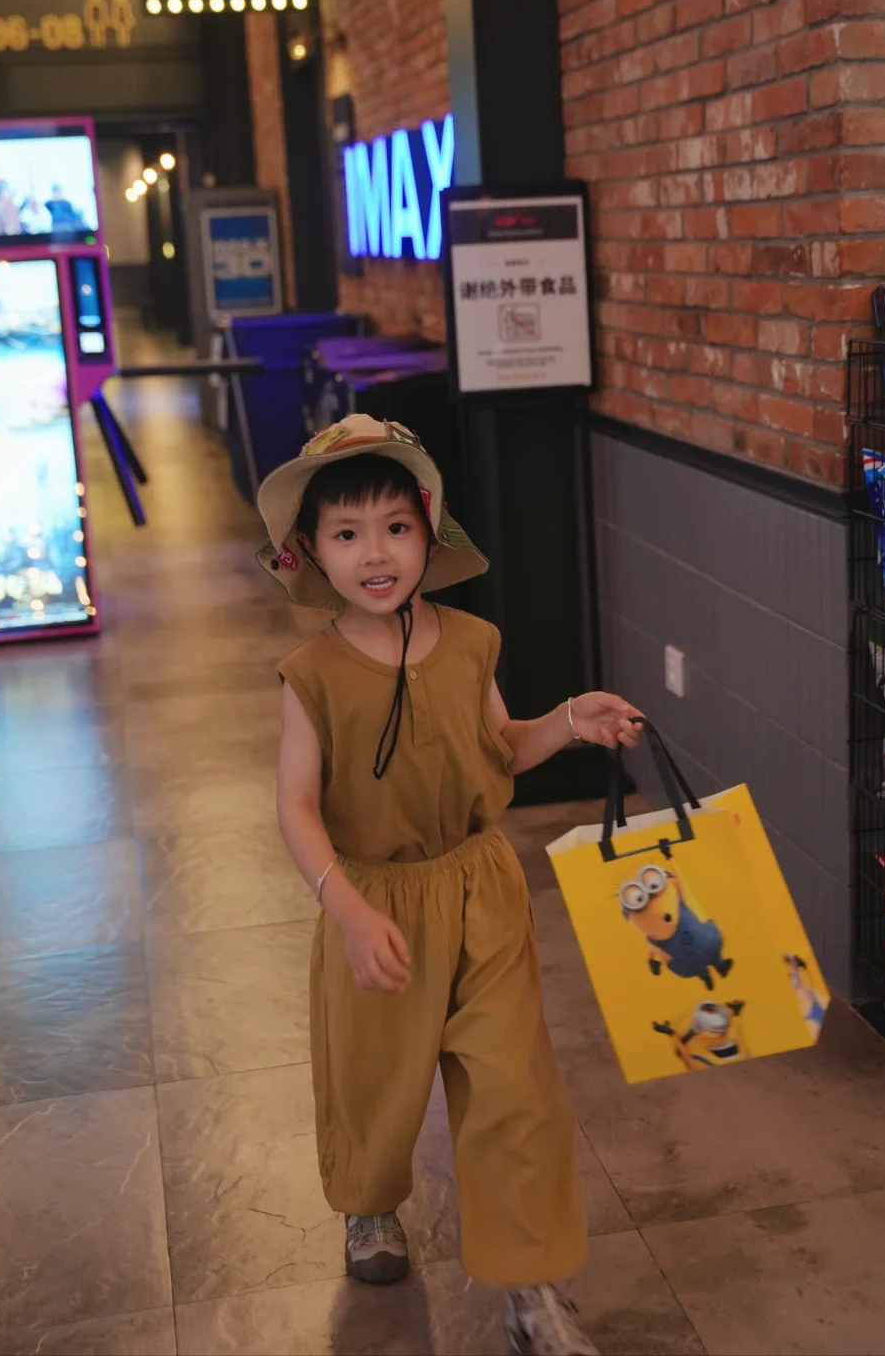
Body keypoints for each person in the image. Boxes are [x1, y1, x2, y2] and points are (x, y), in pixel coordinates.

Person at [262, 415, 644, 1356]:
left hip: (481, 894)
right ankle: (368, 1203)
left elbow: (500, 746)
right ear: (312, 550)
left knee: (516, 1089)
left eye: (396, 527)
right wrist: (347, 910)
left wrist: (569, 720)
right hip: (373, 903)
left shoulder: (472, 643)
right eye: (347, 534)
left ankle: (530, 1288)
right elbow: (296, 806)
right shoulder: (310, 675)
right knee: (373, 1085)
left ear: (430, 534)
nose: (375, 554)